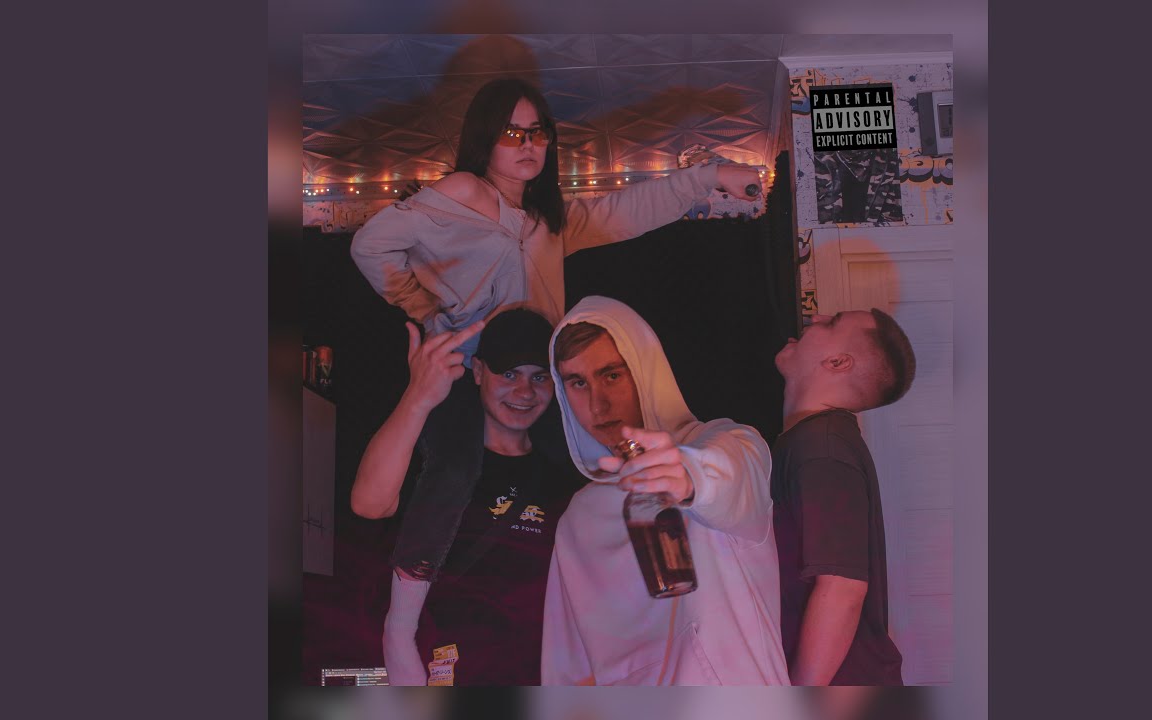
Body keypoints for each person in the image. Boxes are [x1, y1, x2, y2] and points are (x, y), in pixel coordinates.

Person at [349, 76, 764, 592]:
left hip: (540, 378)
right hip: (473, 370)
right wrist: (429, 313)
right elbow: (370, 246)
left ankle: (623, 593)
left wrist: (710, 176)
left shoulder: (543, 219)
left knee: (585, 479)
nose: (527, 144)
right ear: (484, 137)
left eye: (537, 132)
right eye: (511, 132)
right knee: (451, 478)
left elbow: (622, 214)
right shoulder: (463, 191)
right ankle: (405, 616)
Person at [541, 296, 789, 685]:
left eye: (612, 375)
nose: (597, 405)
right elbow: (569, 672)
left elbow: (730, 473)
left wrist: (688, 478)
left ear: (645, 369)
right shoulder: (578, 521)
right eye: (578, 382)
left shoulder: (723, 446)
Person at [351, 308, 585, 685]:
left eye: (539, 377)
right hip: (448, 670)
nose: (525, 392)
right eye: (508, 374)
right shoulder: (441, 464)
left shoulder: (565, 474)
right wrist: (417, 396)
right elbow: (368, 504)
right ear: (477, 371)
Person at [770, 308, 917, 685]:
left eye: (831, 322)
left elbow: (842, 588)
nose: (814, 318)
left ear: (837, 362)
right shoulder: (818, 442)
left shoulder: (822, 450)